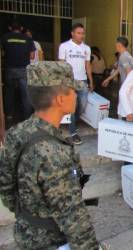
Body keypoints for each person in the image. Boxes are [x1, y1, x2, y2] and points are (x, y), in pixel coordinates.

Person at [0, 61, 108, 250]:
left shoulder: (17, 132)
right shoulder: (54, 153)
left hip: (24, 234)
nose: (76, 95)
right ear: (60, 99)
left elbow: (6, 188)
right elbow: (74, 219)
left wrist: (29, 216)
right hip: (52, 242)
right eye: (73, 91)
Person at [59, 23, 93, 145]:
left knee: (82, 105)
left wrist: (91, 81)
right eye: (78, 33)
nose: (81, 35)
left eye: (83, 33)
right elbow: (61, 65)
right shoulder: (64, 46)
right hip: (69, 81)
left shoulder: (86, 48)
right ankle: (73, 133)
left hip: (82, 80)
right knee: (71, 107)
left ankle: (71, 121)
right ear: (72, 33)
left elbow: (88, 65)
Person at [0, 20, 35, 123]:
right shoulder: (28, 39)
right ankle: (27, 118)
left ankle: (9, 116)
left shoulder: (5, 37)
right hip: (23, 69)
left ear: (10, 28)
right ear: (21, 28)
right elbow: (32, 56)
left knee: (9, 93)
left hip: (9, 69)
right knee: (25, 94)